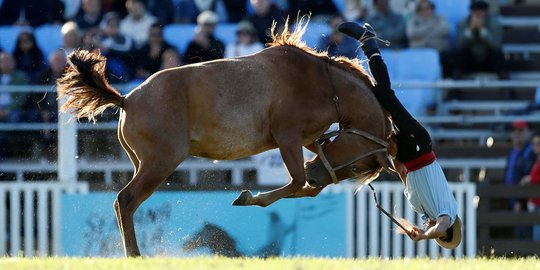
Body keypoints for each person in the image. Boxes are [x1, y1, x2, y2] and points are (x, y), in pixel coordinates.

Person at [337, 22, 461, 248]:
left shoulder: (420, 209)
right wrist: (425, 236)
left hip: (408, 155)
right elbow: (441, 227)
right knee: (385, 95)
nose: (436, 231)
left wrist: (391, 154)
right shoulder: (447, 214)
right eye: (441, 235)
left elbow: (404, 173)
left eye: (437, 237)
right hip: (419, 147)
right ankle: (368, 43)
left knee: (376, 103)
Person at [455, 0, 507, 79]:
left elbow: (496, 45)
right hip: (471, 60)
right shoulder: (463, 23)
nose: (478, 15)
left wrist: (483, 31)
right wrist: (470, 30)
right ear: (471, 12)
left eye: (481, 12)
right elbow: (459, 45)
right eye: (476, 12)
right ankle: (455, 86)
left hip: (488, 59)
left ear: (486, 12)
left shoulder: (495, 24)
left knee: (498, 54)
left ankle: (506, 85)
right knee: (459, 54)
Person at [505, 120, 536, 239]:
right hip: (512, 199)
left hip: (524, 200)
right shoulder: (512, 151)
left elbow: (528, 176)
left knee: (526, 235)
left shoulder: (530, 151)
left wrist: (520, 200)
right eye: (514, 130)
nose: (516, 133)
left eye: (520, 130)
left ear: (528, 132)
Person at [406, 0, 452, 77]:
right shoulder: (413, 20)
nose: (427, 11)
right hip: (419, 53)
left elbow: (446, 29)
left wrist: (422, 33)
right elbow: (411, 33)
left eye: (429, 8)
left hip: (440, 52)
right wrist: (430, 27)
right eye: (423, 9)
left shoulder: (440, 17)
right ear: (418, 11)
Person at [99, 12, 134, 82]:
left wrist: (109, 48)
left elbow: (126, 50)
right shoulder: (100, 38)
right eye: (110, 25)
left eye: (115, 25)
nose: (112, 28)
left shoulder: (125, 39)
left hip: (125, 73)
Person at [520, 130, 540, 241]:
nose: (534, 146)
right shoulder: (537, 159)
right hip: (536, 201)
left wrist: (529, 179)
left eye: (537, 144)